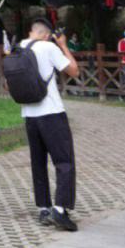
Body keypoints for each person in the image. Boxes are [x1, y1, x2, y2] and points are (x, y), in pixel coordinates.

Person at [17, 17, 79, 230]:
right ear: (46, 34)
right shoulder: (48, 47)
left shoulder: (18, 48)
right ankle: (60, 209)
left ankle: (43, 208)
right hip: (51, 112)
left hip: (28, 113)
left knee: (38, 161)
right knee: (64, 161)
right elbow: (73, 70)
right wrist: (63, 45)